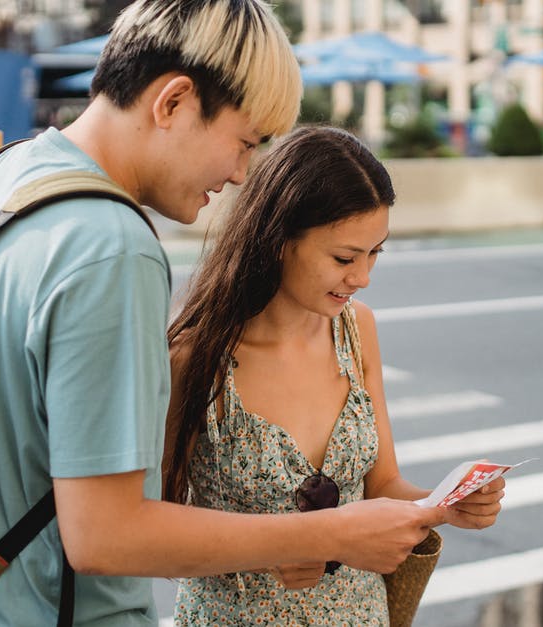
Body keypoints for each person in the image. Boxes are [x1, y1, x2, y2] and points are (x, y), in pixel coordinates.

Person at [0, 1, 444, 625]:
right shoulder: (111, 247)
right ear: (174, 101)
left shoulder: (0, 179)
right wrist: (327, 536)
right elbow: (105, 534)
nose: (242, 175)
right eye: (243, 142)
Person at [163, 126, 507, 625]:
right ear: (278, 239)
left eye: (375, 253)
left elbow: (381, 483)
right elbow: (151, 527)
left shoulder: (356, 329)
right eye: (345, 257)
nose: (363, 276)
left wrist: (444, 504)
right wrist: (266, 550)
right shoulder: (194, 356)